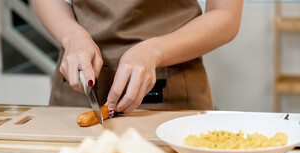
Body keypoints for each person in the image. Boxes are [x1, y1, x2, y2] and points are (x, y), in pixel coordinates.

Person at [33, 0, 243, 117]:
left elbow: (225, 15)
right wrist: (72, 36)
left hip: (168, 91)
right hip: (78, 86)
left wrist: (154, 51)